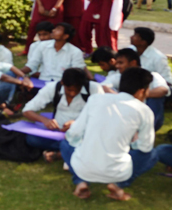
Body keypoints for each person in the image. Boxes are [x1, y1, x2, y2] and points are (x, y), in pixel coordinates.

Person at [60, 67, 157, 202]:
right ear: (142, 91)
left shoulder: (95, 99)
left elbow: (74, 133)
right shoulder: (144, 111)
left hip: (83, 168)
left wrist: (82, 144)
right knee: (152, 154)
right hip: (118, 172)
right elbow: (146, 147)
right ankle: (118, 185)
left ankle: (80, 182)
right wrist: (134, 142)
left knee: (65, 143)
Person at [22, 67, 104, 161]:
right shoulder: (52, 88)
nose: (72, 93)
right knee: (32, 139)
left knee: (97, 139)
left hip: (84, 133)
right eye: (69, 90)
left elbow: (102, 114)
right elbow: (26, 110)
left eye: (77, 90)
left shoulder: (94, 88)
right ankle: (70, 149)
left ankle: (62, 151)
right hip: (59, 132)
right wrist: (45, 120)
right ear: (62, 83)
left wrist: (77, 124)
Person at [102, 48, 170, 130]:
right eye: (117, 63)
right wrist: (122, 97)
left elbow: (163, 90)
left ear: (133, 63)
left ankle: (147, 127)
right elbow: (102, 87)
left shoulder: (153, 76)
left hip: (148, 111)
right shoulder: (118, 77)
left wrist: (140, 95)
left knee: (156, 99)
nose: (117, 66)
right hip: (125, 114)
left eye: (121, 63)